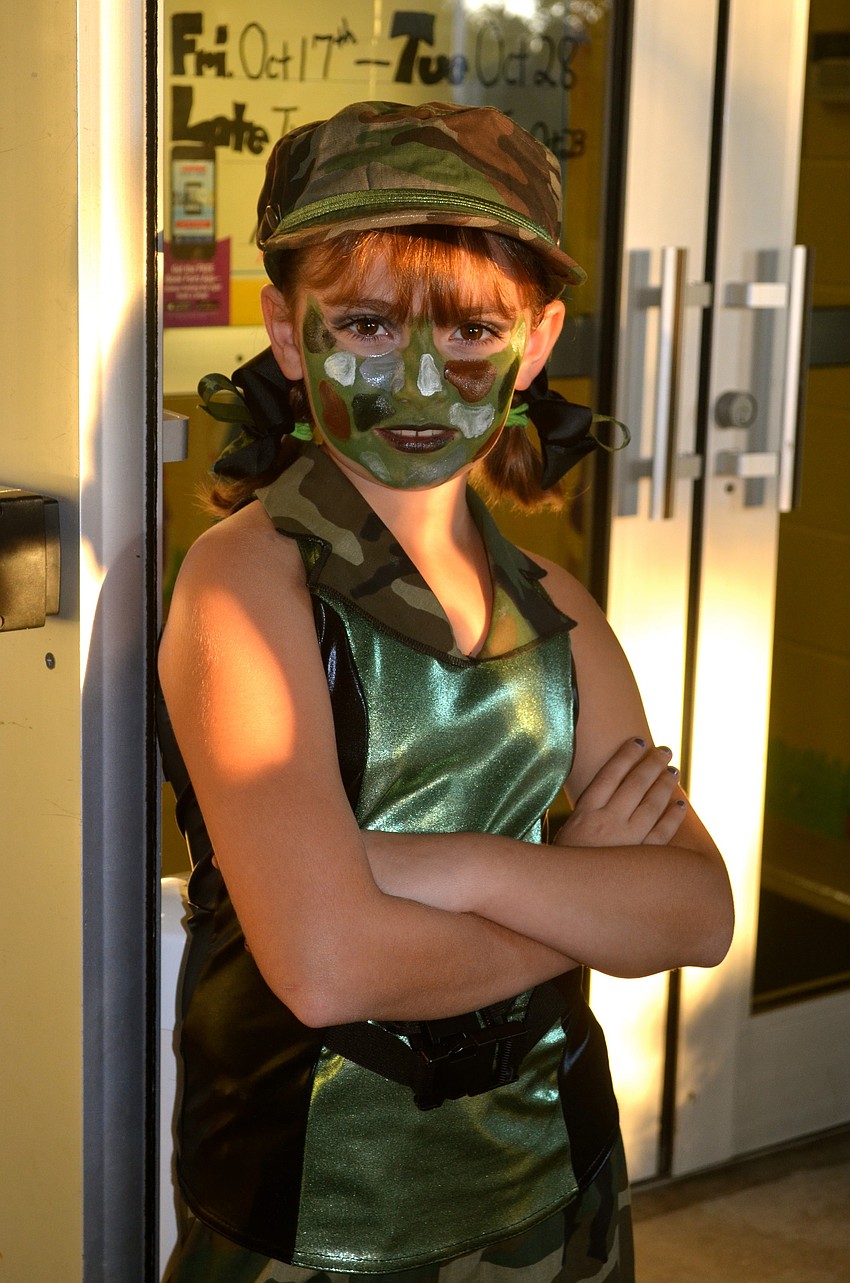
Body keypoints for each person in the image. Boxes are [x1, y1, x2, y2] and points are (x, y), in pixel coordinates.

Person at [157, 100, 733, 1283]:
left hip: (560, 1188)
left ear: (536, 342)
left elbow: (696, 912)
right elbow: (328, 964)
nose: (419, 380)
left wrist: (454, 866)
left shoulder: (556, 607)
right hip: (324, 1217)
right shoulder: (248, 582)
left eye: (472, 329)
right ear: (286, 329)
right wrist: (576, 893)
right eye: (367, 324)